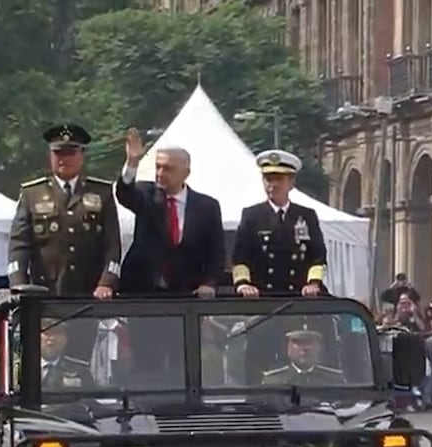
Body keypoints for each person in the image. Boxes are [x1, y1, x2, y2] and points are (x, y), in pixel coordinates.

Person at [8, 123, 122, 298]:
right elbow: (19, 245)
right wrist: (19, 284)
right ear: (50, 155)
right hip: (44, 291)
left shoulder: (101, 192)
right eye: (58, 153)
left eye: (71, 153)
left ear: (82, 155)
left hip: (89, 293)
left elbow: (112, 245)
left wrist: (107, 282)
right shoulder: (33, 194)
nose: (64, 159)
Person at [116, 128, 225, 297]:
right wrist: (132, 163)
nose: (160, 174)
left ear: (186, 173)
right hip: (143, 291)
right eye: (157, 167)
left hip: (187, 295)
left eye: (167, 169)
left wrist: (209, 283)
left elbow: (216, 252)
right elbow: (124, 194)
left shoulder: (207, 207)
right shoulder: (146, 194)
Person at [231, 150, 328, 298]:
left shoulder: (306, 216)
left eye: (279, 179)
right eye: (268, 179)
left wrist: (314, 283)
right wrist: (243, 283)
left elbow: (318, 256)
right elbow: (240, 256)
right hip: (262, 296)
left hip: (299, 296)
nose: (273, 185)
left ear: (291, 183)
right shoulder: (251, 216)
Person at [261, 329, 347, 387]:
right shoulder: (273, 381)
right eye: (298, 343)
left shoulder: (335, 380)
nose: (304, 348)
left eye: (309, 342)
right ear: (288, 347)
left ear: (319, 346)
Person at [40, 319, 94, 391]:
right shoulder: (23, 368)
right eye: (46, 333)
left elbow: (89, 399)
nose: (51, 338)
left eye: (57, 333)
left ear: (65, 339)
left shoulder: (80, 371)